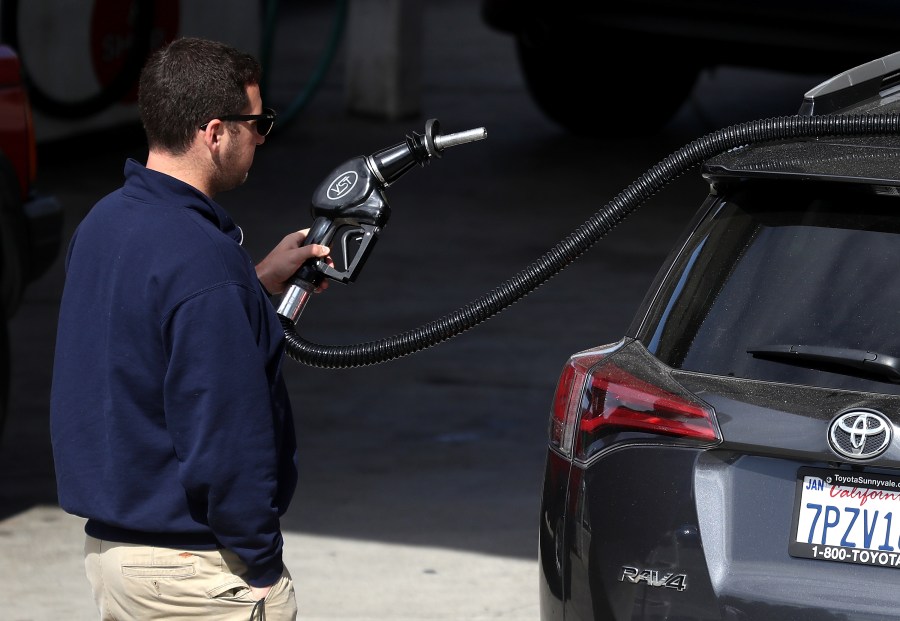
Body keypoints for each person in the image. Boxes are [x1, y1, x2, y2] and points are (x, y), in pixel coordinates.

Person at [49, 36, 330, 620]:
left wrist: (255, 285)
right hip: (193, 575)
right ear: (215, 132)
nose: (260, 137)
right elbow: (226, 433)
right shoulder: (202, 260)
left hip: (117, 560)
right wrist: (261, 565)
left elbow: (145, 340)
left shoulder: (104, 224)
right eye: (257, 122)